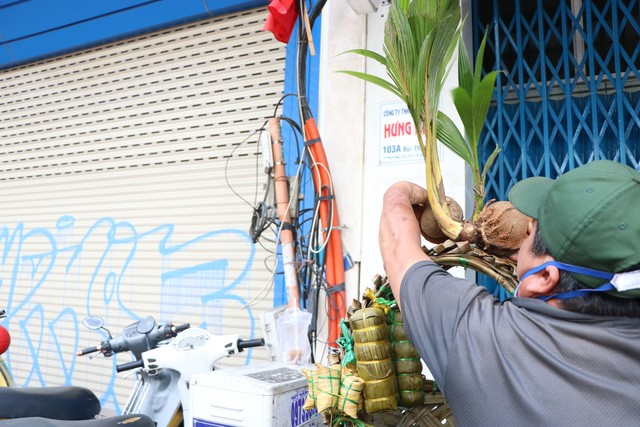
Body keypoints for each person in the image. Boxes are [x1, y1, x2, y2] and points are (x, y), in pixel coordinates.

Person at [379, 160, 640, 426]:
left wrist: (401, 194)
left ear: (544, 278)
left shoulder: (491, 345)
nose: (525, 231)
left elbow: (398, 249)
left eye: (532, 232)